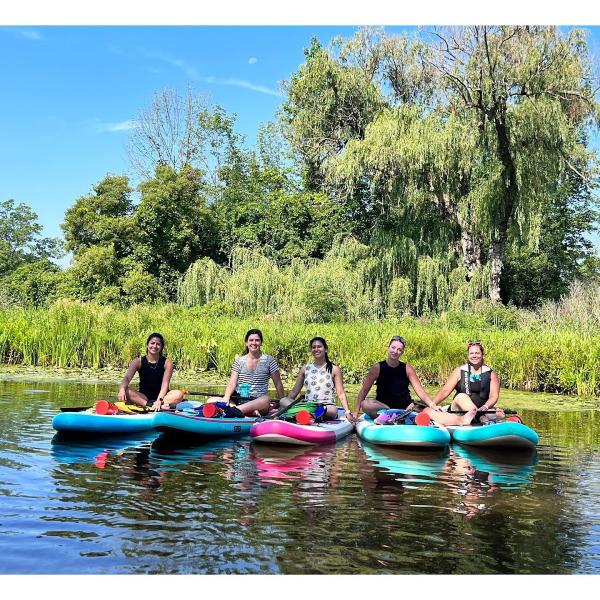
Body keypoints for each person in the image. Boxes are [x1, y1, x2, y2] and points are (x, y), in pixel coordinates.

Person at [350, 335, 477, 426]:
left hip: (405, 406)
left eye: (399, 349)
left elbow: (419, 390)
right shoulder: (377, 368)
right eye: (393, 348)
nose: (395, 351)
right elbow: (364, 391)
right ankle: (390, 415)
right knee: (366, 404)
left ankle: (461, 420)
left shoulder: (407, 368)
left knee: (428, 411)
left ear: (402, 352)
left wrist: (432, 404)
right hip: (384, 407)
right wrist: (355, 412)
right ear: (388, 347)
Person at [279, 337, 354, 421]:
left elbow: (340, 393)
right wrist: (284, 408)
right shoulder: (305, 368)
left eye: (319, 346)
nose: (316, 349)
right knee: (283, 400)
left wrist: (347, 412)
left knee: (333, 410)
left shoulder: (334, 369)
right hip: (308, 404)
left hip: (326, 406)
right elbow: (294, 392)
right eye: (313, 347)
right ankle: (306, 413)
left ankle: (307, 414)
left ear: (325, 349)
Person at [215, 329, 285, 417]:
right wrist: (226, 397)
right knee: (211, 400)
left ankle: (235, 410)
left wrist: (282, 402)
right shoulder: (239, 361)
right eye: (251, 340)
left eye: (257, 340)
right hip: (239, 400)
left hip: (259, 402)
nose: (254, 343)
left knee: (266, 399)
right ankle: (248, 412)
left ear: (261, 343)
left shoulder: (270, 361)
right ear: (246, 343)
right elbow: (232, 383)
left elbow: (278, 384)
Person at [430, 341, 504, 422]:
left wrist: (485, 407)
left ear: (482, 355)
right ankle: (480, 418)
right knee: (461, 396)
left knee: (499, 414)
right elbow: (445, 391)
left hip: (481, 409)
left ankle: (480, 417)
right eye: (471, 353)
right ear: (468, 355)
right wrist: (432, 405)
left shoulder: (491, 374)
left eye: (477, 353)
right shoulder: (459, 371)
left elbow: (494, 396)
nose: (474, 356)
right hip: (459, 410)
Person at [117, 333, 184, 411]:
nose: (154, 346)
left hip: (164, 397)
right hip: (143, 397)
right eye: (152, 343)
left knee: (178, 394)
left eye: (158, 344)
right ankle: (150, 405)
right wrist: (121, 389)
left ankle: (159, 405)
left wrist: (159, 400)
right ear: (147, 345)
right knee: (125, 389)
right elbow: (127, 378)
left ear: (161, 347)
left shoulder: (167, 363)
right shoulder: (138, 361)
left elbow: (165, 385)